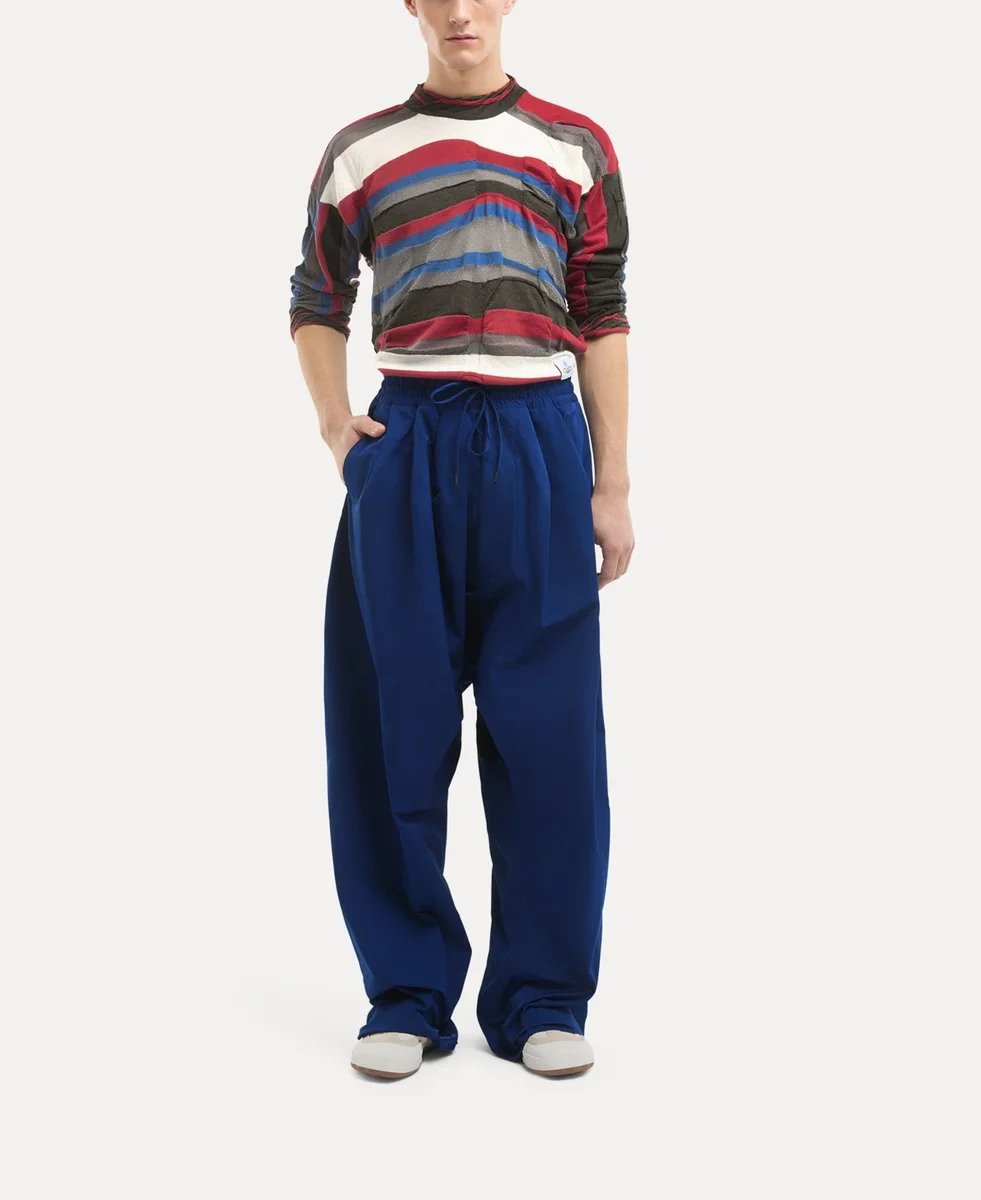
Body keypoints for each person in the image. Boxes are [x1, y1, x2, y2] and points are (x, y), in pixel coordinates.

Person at [289, 0, 633, 1079]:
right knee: (391, 723)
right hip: (408, 435)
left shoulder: (574, 145)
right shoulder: (361, 151)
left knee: (548, 733)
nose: (459, 9)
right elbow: (316, 297)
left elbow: (602, 313)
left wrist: (612, 481)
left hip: (538, 439)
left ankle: (541, 997)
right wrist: (337, 425)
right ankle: (405, 990)